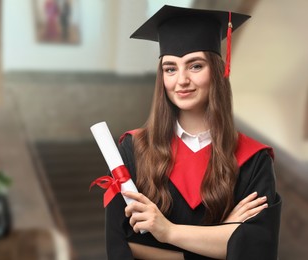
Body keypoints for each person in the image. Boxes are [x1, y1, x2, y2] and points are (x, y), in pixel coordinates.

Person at [102, 5, 281, 260]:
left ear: (218, 71)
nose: (181, 80)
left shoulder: (254, 161)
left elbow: (257, 251)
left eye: (195, 66)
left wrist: (168, 232)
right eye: (170, 69)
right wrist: (223, 237)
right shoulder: (133, 150)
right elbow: (120, 247)